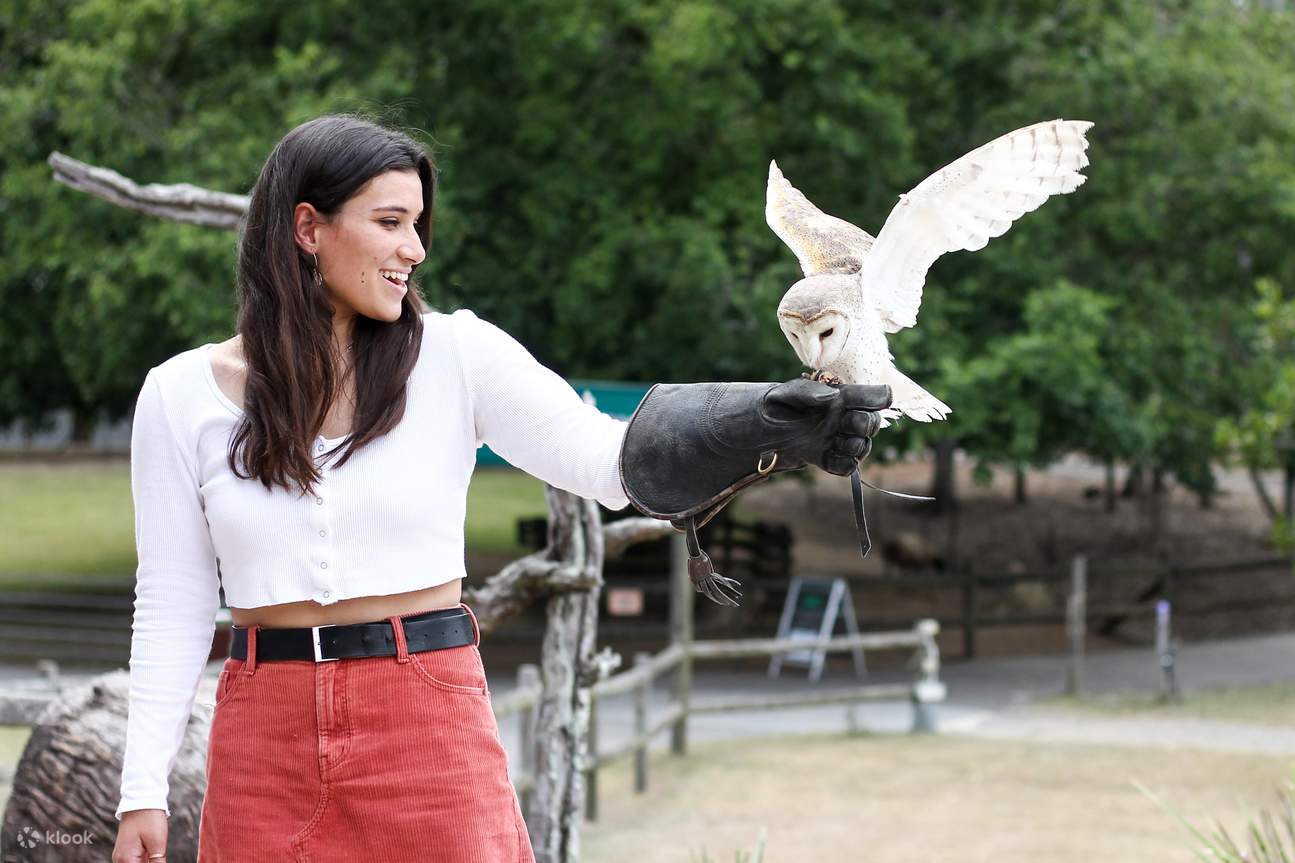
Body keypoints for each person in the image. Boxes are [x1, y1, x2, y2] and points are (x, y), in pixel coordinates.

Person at [110, 114, 890, 863]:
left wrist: (758, 420)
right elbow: (174, 596)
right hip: (263, 732)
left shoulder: (457, 354)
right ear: (308, 228)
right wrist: (141, 787)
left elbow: (610, 462)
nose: (414, 248)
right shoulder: (179, 395)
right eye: (389, 222)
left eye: (418, 224)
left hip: (424, 714)